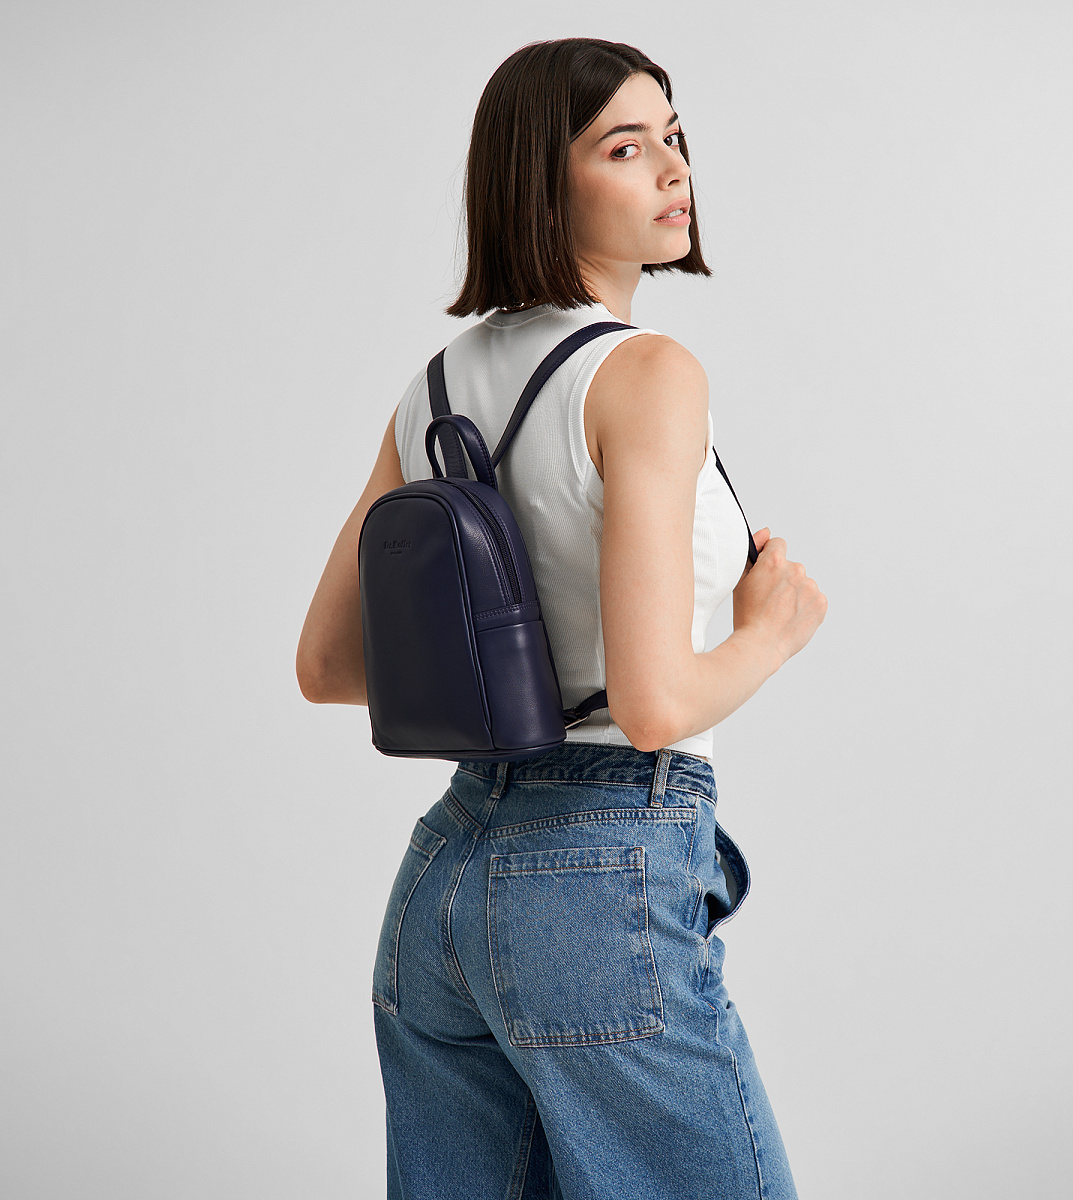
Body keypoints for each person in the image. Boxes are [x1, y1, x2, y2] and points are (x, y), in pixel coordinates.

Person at [296, 36, 827, 1200]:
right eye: (624, 147)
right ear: (540, 178)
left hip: (442, 886)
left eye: (674, 138)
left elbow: (327, 664)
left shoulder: (435, 387)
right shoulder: (648, 373)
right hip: (599, 875)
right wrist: (770, 631)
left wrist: (512, 676)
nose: (673, 169)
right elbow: (654, 707)